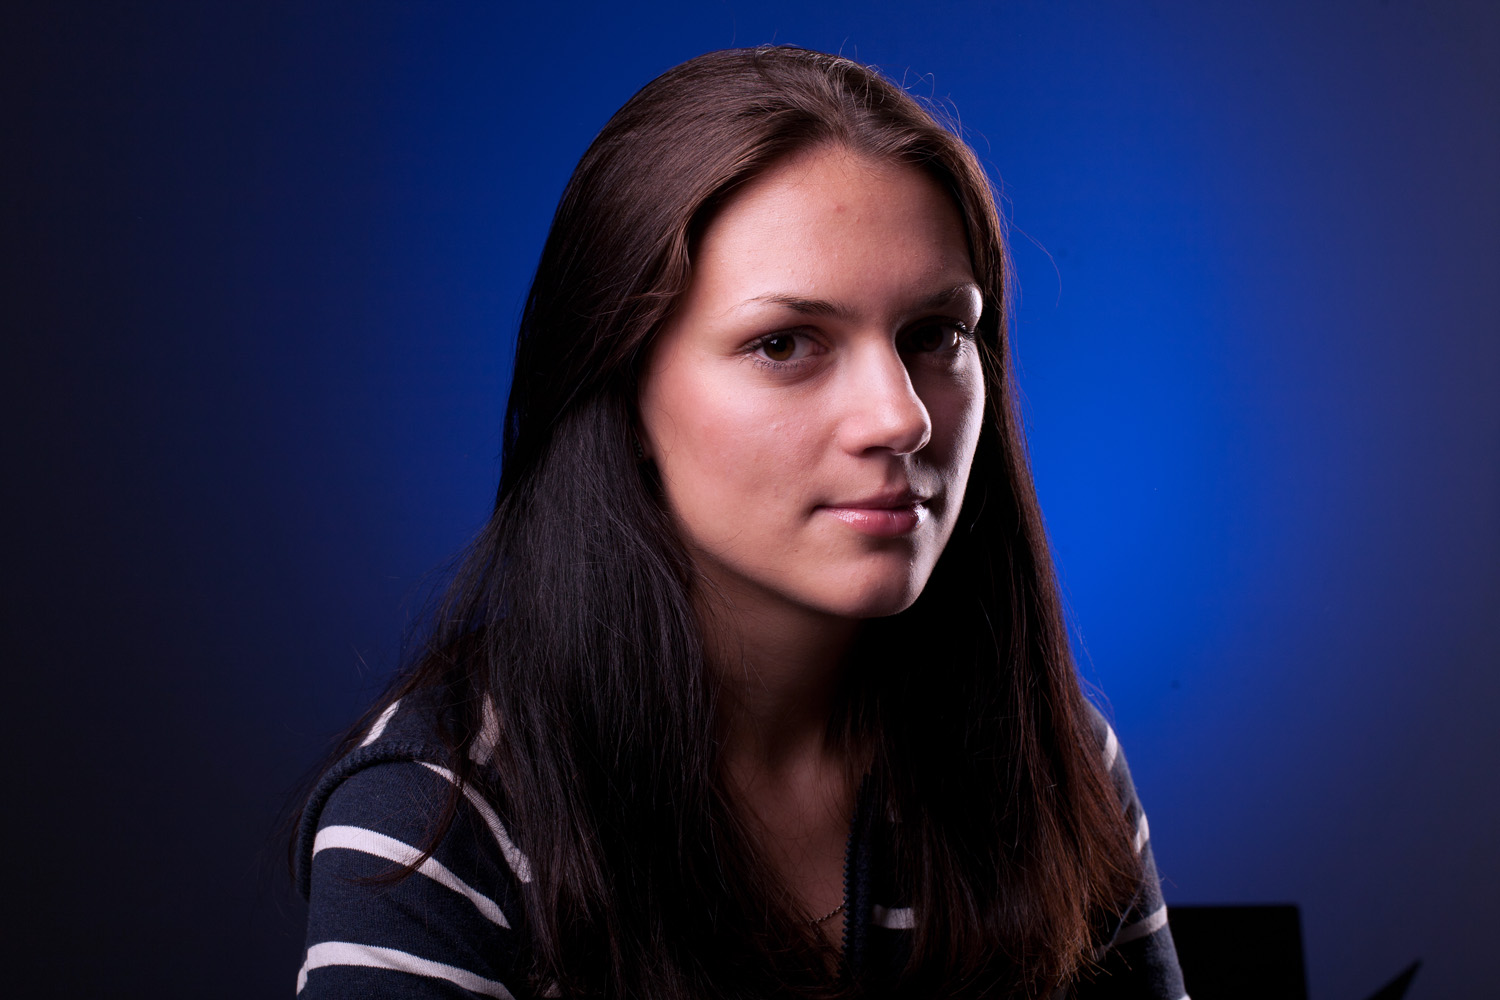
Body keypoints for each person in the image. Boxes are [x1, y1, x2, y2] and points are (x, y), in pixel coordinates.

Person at [293, 46, 1186, 1000]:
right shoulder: (439, 813)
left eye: (936, 335)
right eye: (785, 344)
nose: (900, 417)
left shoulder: (1053, 763)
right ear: (623, 393)